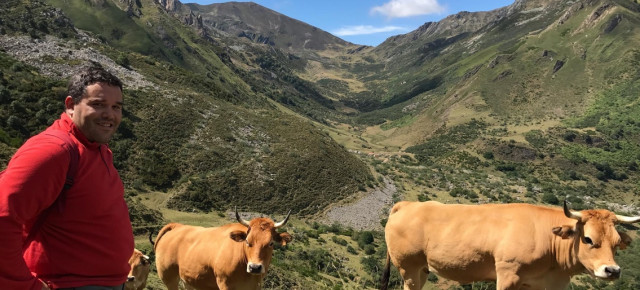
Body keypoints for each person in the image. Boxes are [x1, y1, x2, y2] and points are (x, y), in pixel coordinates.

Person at [0, 64, 134, 290]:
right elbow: (3, 216)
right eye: (98, 104)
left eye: (116, 107)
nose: (110, 114)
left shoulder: (96, 148)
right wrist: (24, 286)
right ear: (71, 105)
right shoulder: (53, 151)